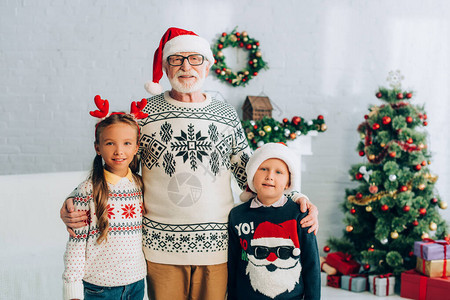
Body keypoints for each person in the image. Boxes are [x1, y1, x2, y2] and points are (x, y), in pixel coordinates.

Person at [61, 27, 319, 300]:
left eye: (195, 58)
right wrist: (74, 202)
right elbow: (117, 170)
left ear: (207, 66)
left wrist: (295, 197)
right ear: (166, 67)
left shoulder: (226, 114)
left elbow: (251, 171)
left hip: (217, 246)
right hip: (160, 247)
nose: (186, 66)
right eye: (176, 59)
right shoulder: (143, 113)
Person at [62, 99, 148, 300]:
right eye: (110, 143)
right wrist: (72, 288)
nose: (119, 151)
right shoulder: (88, 190)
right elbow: (76, 243)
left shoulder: (141, 185)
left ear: (136, 147)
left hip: (136, 282)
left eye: (127, 143)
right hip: (99, 288)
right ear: (98, 147)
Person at [228, 143, 320, 300]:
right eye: (263, 169)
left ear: (288, 183)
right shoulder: (237, 215)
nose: (270, 176)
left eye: (279, 172)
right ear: (252, 175)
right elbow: (232, 263)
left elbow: (311, 265)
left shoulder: (301, 215)